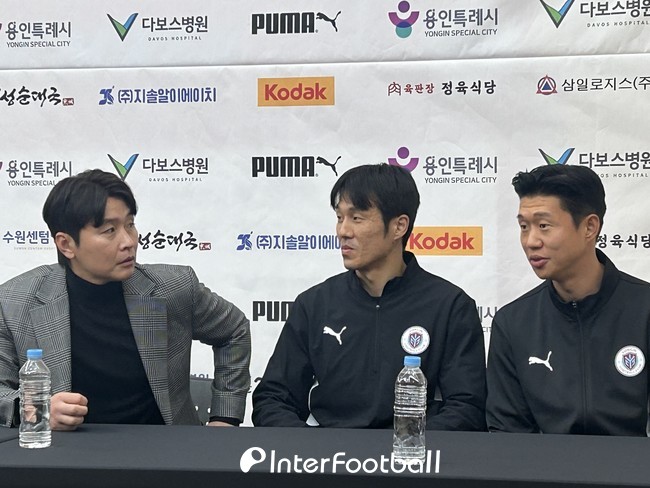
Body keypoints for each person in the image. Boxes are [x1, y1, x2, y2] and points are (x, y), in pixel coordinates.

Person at [0, 169, 251, 429]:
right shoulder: (15, 302)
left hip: (167, 446)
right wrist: (37, 410)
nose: (128, 241)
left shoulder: (173, 288)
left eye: (130, 225)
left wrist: (225, 418)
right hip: (65, 449)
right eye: (109, 230)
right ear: (66, 244)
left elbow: (234, 330)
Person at [252, 164, 487, 429]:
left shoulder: (450, 306)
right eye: (339, 217)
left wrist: (405, 445)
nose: (343, 231)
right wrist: (314, 448)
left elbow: (467, 408)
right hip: (329, 453)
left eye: (357, 218)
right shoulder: (314, 304)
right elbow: (272, 399)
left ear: (399, 226)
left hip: (412, 451)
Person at [487, 164, 650, 435]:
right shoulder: (512, 323)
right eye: (524, 227)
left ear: (589, 227)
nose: (531, 241)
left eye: (544, 226)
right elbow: (508, 435)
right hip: (543, 464)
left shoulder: (644, 310)